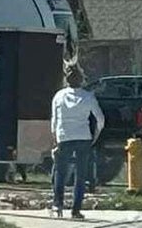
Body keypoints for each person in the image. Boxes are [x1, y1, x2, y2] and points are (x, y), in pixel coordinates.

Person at [50, 65, 105, 219]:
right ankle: (76, 210)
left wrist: (55, 138)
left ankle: (57, 205)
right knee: (81, 175)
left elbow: (54, 120)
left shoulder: (59, 96)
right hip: (83, 136)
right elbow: (100, 119)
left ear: (66, 80)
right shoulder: (88, 97)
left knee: (60, 172)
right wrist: (95, 135)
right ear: (81, 80)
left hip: (64, 136)